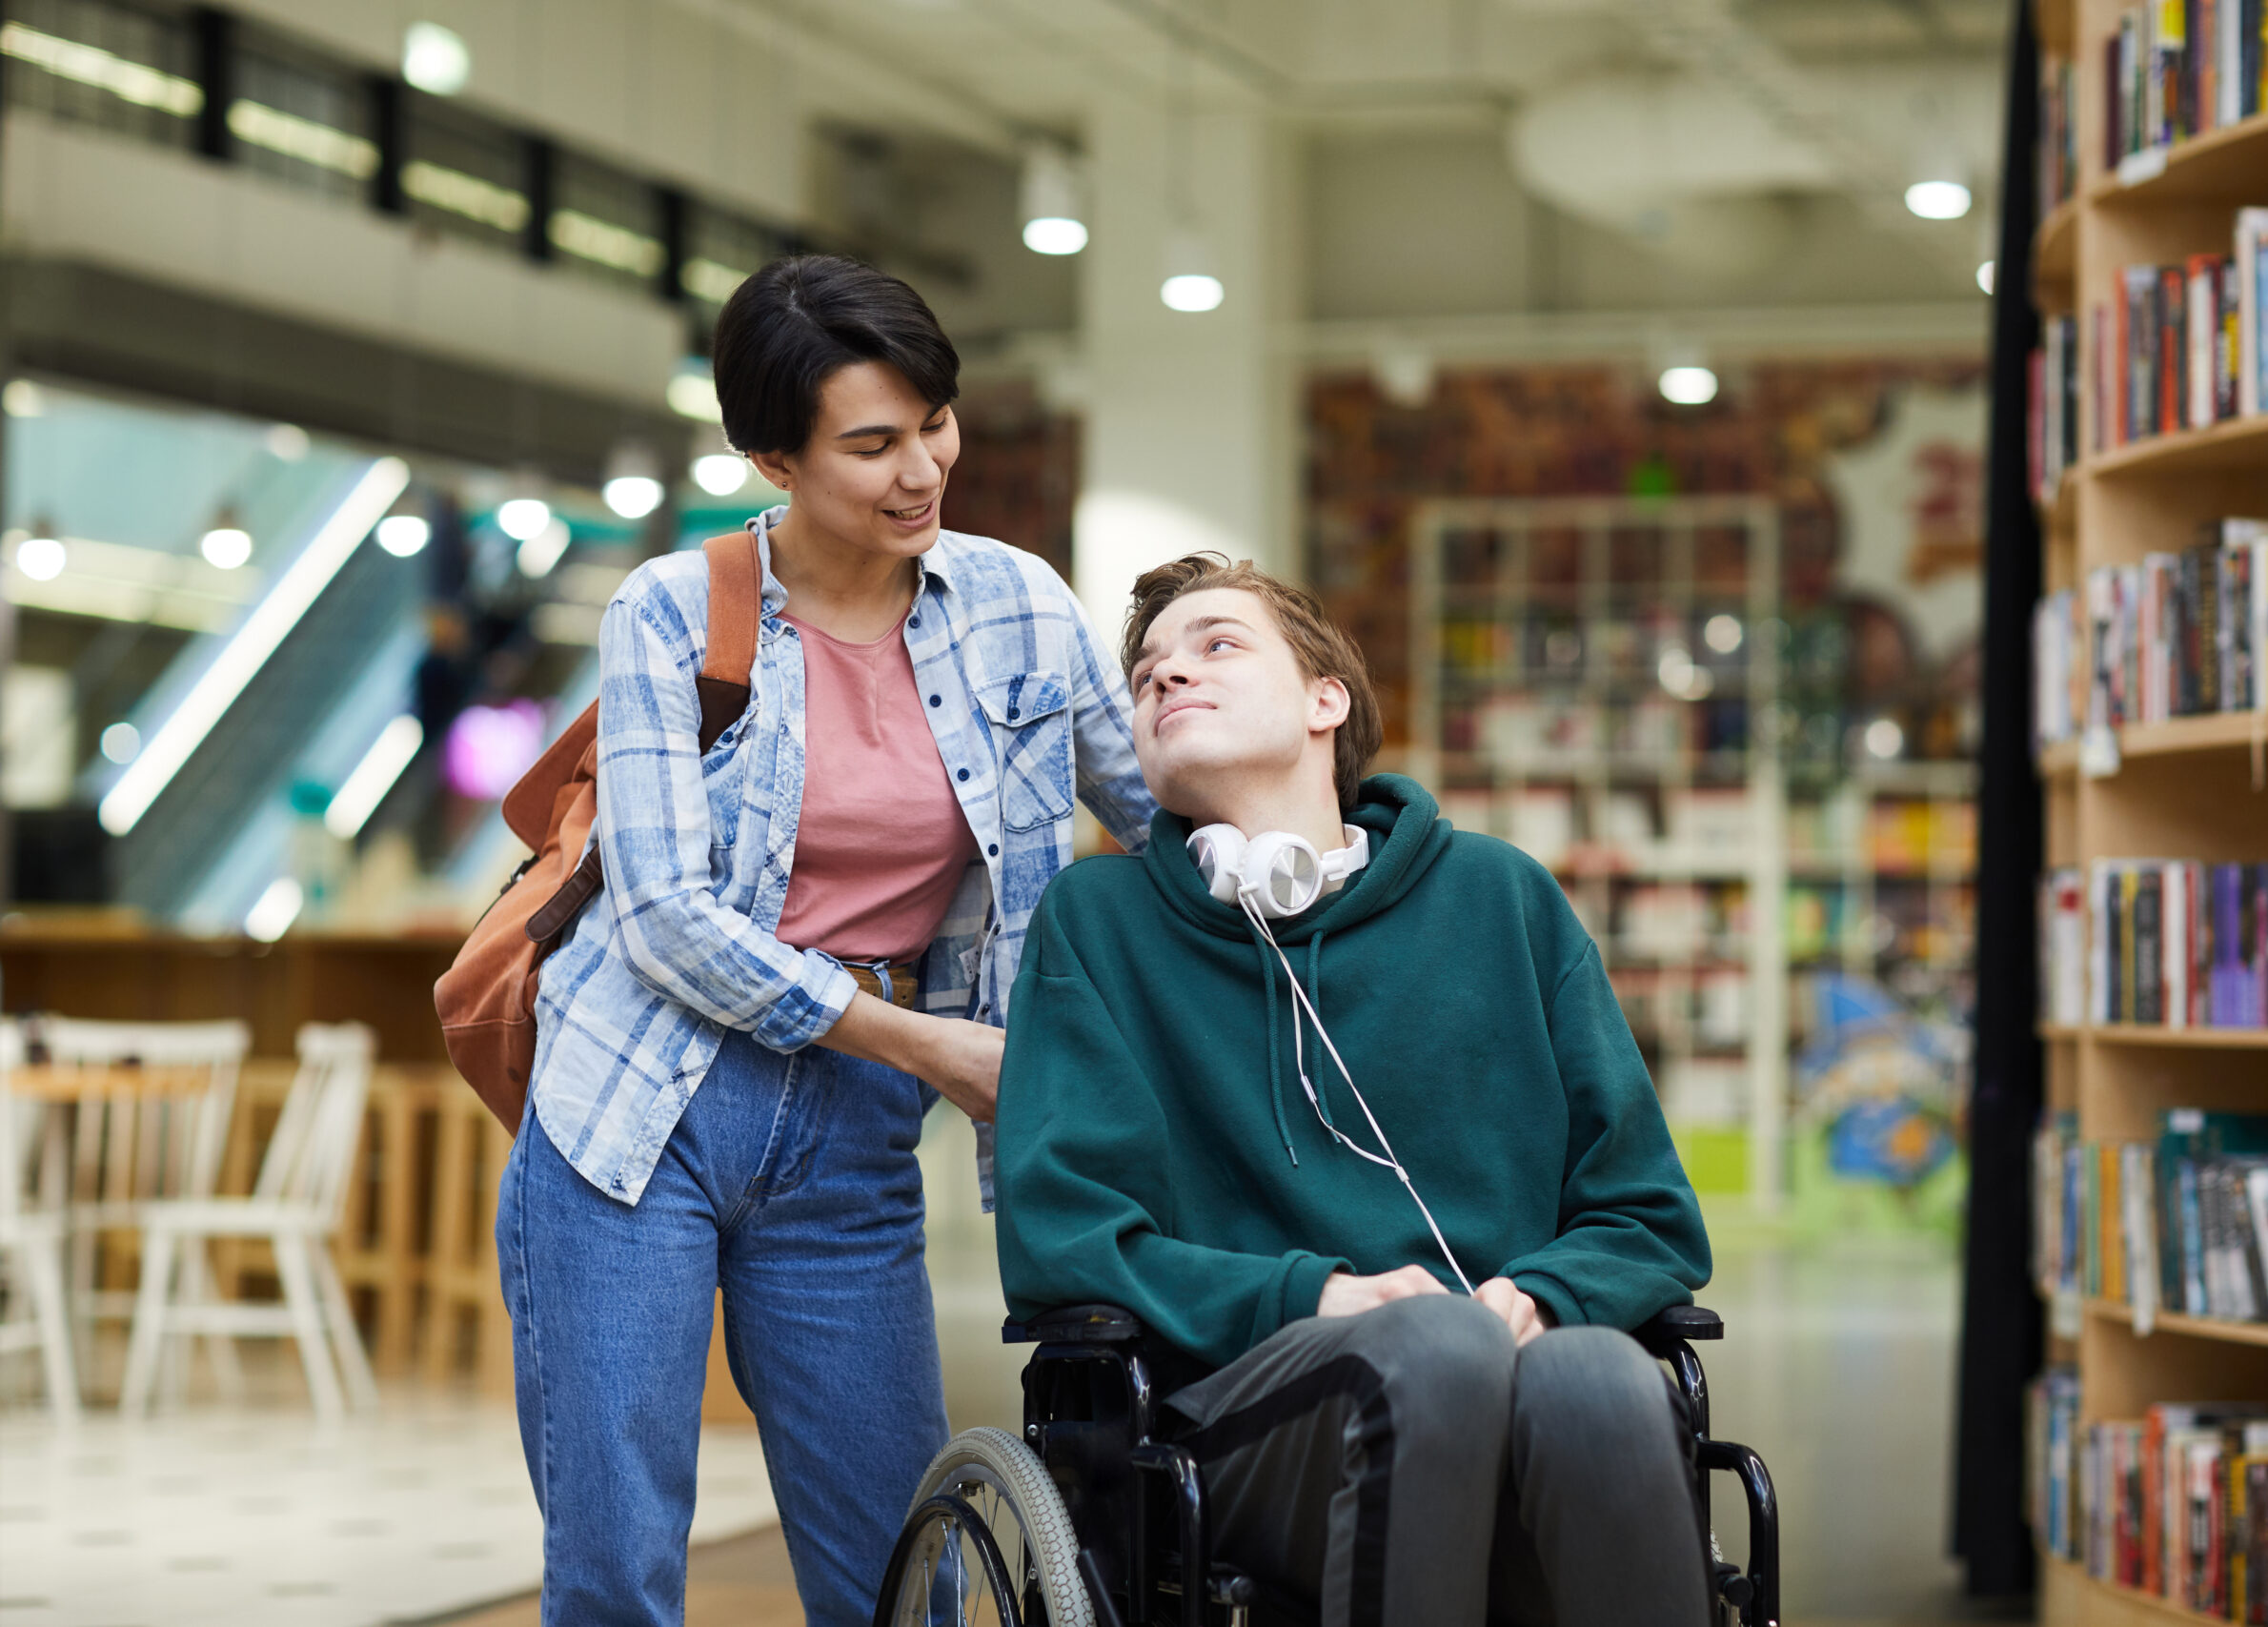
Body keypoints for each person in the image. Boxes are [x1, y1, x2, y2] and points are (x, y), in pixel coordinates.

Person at [496, 254, 1155, 1627]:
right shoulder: (672, 610)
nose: (923, 469)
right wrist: (927, 1041)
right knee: (616, 1568)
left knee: (902, 1564)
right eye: (872, 443)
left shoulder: (1019, 603)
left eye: (937, 423)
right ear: (771, 457)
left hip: (852, 1130)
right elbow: (669, 914)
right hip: (639, 1107)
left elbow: (1158, 811)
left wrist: (1331, 840)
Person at [993, 553, 1714, 1627]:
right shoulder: (1096, 924)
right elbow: (1064, 1235)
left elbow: (1646, 1217)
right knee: (1435, 1350)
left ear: (1326, 699)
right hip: (1240, 1431)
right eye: (1146, 674)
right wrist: (1318, 1298)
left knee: (1601, 1378)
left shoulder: (1499, 898)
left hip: (1505, 1374)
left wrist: (1536, 1299)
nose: (1166, 678)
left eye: (1215, 646)